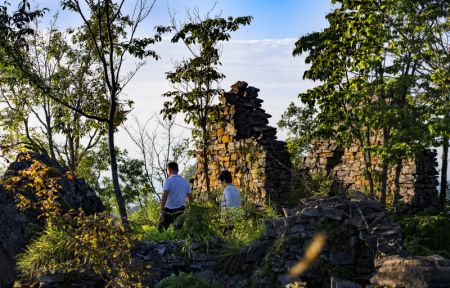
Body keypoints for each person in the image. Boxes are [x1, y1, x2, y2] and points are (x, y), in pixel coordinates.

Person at [157, 162, 192, 231]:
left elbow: (164, 196)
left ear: (169, 169)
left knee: (160, 231)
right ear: (178, 170)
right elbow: (190, 198)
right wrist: (190, 211)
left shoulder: (168, 181)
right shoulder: (185, 182)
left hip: (167, 211)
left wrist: (161, 211)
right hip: (180, 211)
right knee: (178, 233)